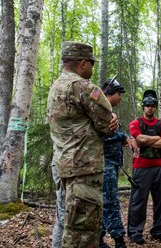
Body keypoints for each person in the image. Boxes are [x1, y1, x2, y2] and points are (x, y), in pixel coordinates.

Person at [47, 41, 118, 247]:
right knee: (83, 234)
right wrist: (112, 121)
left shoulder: (56, 87)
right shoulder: (82, 87)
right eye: (92, 64)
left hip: (63, 166)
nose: (93, 68)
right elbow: (107, 124)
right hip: (83, 169)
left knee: (68, 224)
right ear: (83, 63)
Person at [127, 90, 161, 245]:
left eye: (153, 105)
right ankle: (135, 231)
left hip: (160, 167)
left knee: (160, 200)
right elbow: (138, 140)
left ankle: (157, 230)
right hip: (141, 166)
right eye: (147, 105)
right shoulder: (135, 123)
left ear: (156, 107)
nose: (150, 108)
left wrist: (147, 140)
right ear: (143, 106)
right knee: (139, 200)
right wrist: (157, 138)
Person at [99, 78, 138, 248]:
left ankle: (99, 238)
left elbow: (114, 133)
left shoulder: (108, 111)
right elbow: (103, 135)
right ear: (110, 94)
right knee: (110, 201)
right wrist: (123, 137)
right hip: (104, 164)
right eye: (118, 95)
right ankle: (118, 240)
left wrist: (123, 137)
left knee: (105, 201)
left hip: (112, 164)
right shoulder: (100, 111)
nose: (120, 98)